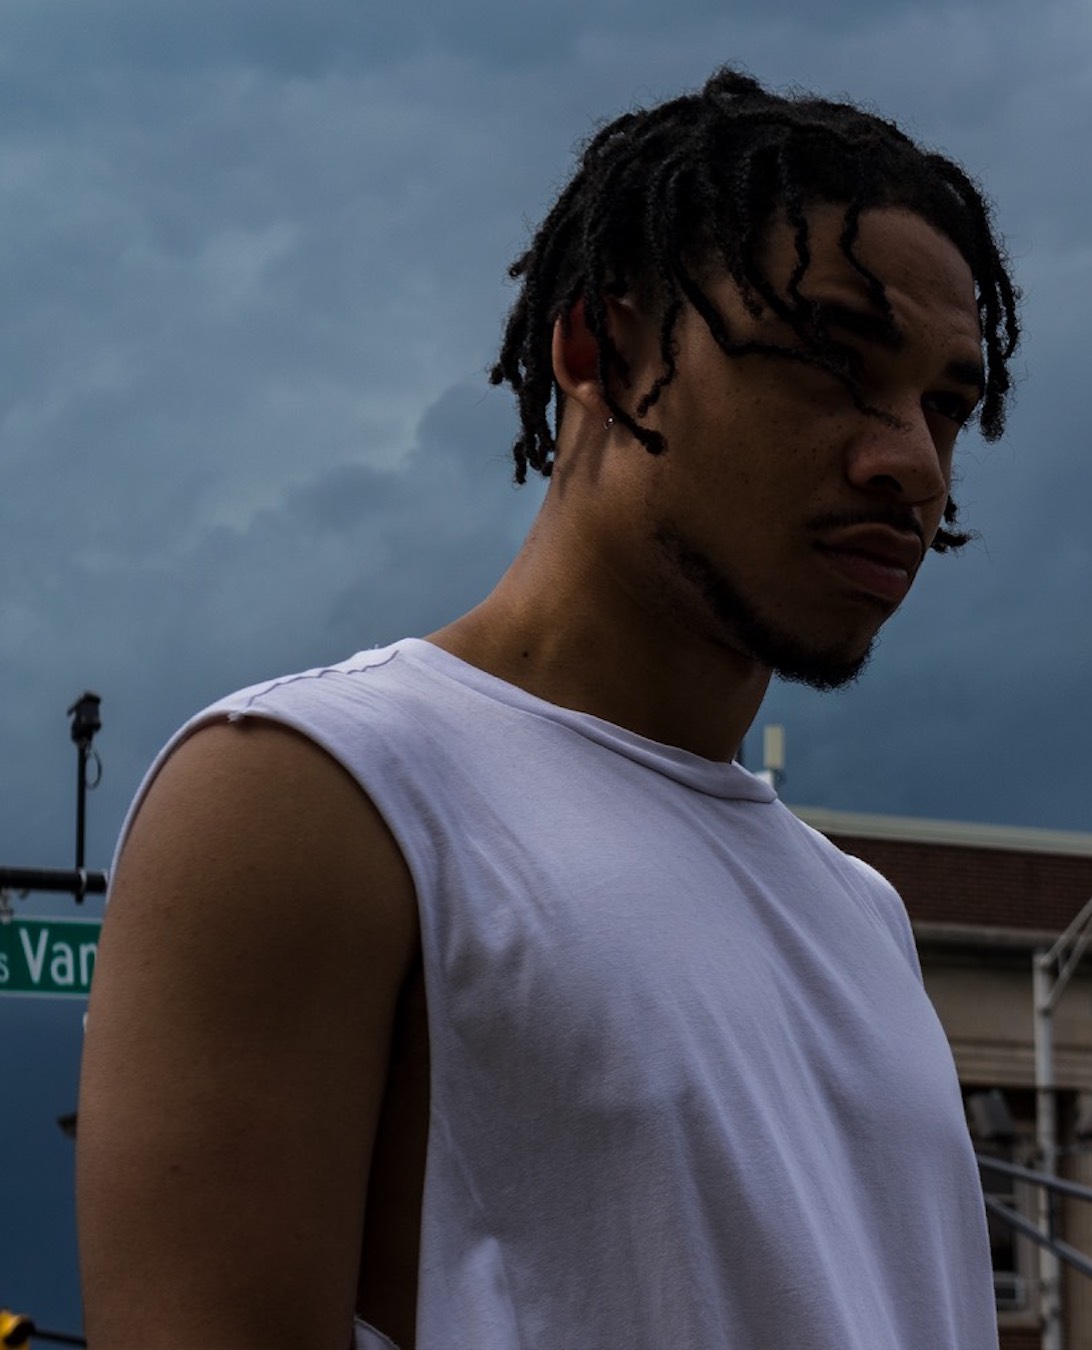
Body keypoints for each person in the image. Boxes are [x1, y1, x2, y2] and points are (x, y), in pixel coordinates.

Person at [77, 67, 1020, 1350]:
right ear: (600, 354)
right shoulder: (312, 795)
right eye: (831, 360)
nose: (910, 459)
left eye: (946, 404)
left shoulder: (863, 916)